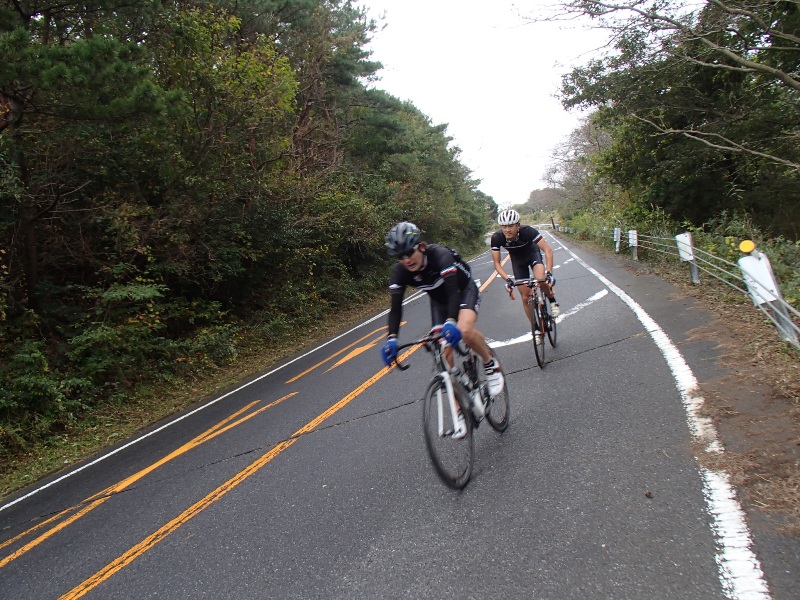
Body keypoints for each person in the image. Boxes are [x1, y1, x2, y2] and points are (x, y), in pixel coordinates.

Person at [380, 221, 505, 398]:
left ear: (421, 247)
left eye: (409, 252)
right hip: (439, 302)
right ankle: (460, 408)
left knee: (464, 331)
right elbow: (395, 309)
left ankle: (490, 364)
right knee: (443, 357)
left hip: (462, 291)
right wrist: (392, 338)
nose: (406, 259)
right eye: (400, 256)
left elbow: (453, 292)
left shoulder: (440, 255)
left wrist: (451, 321)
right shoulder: (399, 272)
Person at [490, 209, 560, 343]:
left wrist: (549, 273)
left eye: (511, 226)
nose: (507, 230)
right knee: (525, 297)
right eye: (504, 226)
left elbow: (547, 250)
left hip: (532, 254)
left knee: (541, 279)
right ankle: (537, 329)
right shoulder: (497, 238)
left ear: (518, 225)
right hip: (518, 261)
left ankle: (552, 300)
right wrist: (508, 280)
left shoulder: (528, 231)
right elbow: (497, 264)